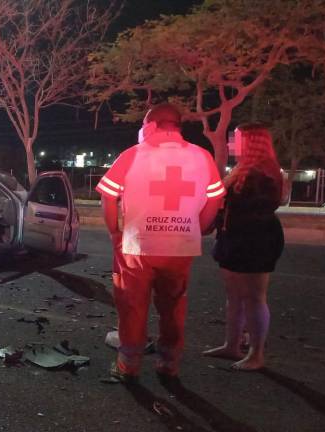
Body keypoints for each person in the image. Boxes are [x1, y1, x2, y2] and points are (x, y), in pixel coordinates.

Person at [96, 103, 225, 382]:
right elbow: (215, 198)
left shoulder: (132, 155)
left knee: (132, 306)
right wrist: (197, 227)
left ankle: (128, 365)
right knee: (173, 305)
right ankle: (169, 363)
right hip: (180, 248)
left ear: (151, 125)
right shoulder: (202, 157)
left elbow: (107, 195)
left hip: (137, 247)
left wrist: (113, 232)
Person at [202, 124, 284, 371]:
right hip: (234, 238)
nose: (230, 144)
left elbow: (254, 209)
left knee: (254, 297)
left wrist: (219, 203)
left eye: (235, 140)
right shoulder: (243, 170)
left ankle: (256, 354)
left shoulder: (264, 174)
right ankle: (232, 345)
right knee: (235, 296)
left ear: (251, 142)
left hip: (255, 240)